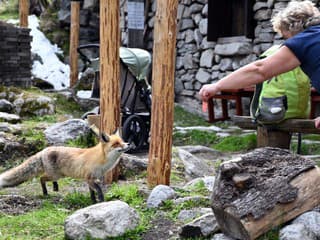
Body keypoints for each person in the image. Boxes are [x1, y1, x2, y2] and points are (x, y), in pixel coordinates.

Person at [199, 0, 320, 127]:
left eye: (286, 37)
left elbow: (259, 70)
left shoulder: (303, 41)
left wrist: (217, 86)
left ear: (292, 28)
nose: (287, 42)